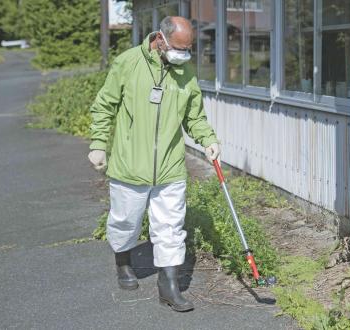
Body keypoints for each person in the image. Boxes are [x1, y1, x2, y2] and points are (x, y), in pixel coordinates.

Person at [87, 16, 220, 312]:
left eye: (188, 50)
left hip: (170, 166)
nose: (183, 56)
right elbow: (105, 104)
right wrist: (98, 143)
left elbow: (194, 115)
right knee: (125, 221)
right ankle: (123, 261)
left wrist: (207, 139)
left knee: (171, 227)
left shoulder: (185, 72)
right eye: (177, 48)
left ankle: (168, 285)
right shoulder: (128, 63)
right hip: (130, 163)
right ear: (160, 39)